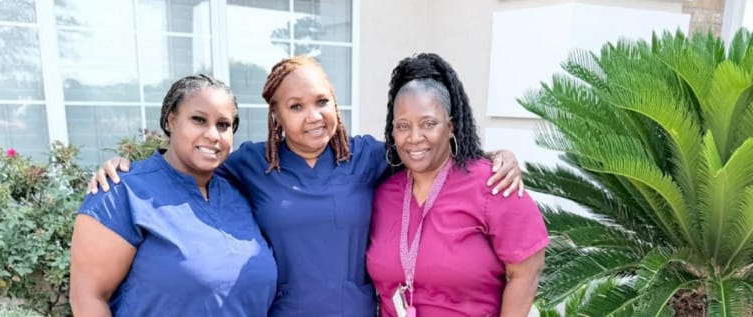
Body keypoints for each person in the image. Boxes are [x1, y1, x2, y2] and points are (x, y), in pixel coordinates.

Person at [87, 56, 525, 316]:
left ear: (335, 102)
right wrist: (124, 168)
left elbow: (425, 151)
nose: (312, 115)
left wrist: (495, 157)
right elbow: (187, 165)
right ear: (276, 116)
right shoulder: (249, 164)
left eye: (321, 101)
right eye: (295, 106)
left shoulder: (369, 156)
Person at [69, 75, 277, 316]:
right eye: (198, 120)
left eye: (223, 125)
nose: (213, 134)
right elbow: (88, 299)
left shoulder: (240, 194)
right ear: (171, 120)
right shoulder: (122, 192)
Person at [366, 53, 548, 317]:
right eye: (403, 126)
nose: (415, 137)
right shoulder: (384, 193)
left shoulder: (493, 183)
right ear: (392, 131)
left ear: (450, 126)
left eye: (429, 124)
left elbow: (527, 271)